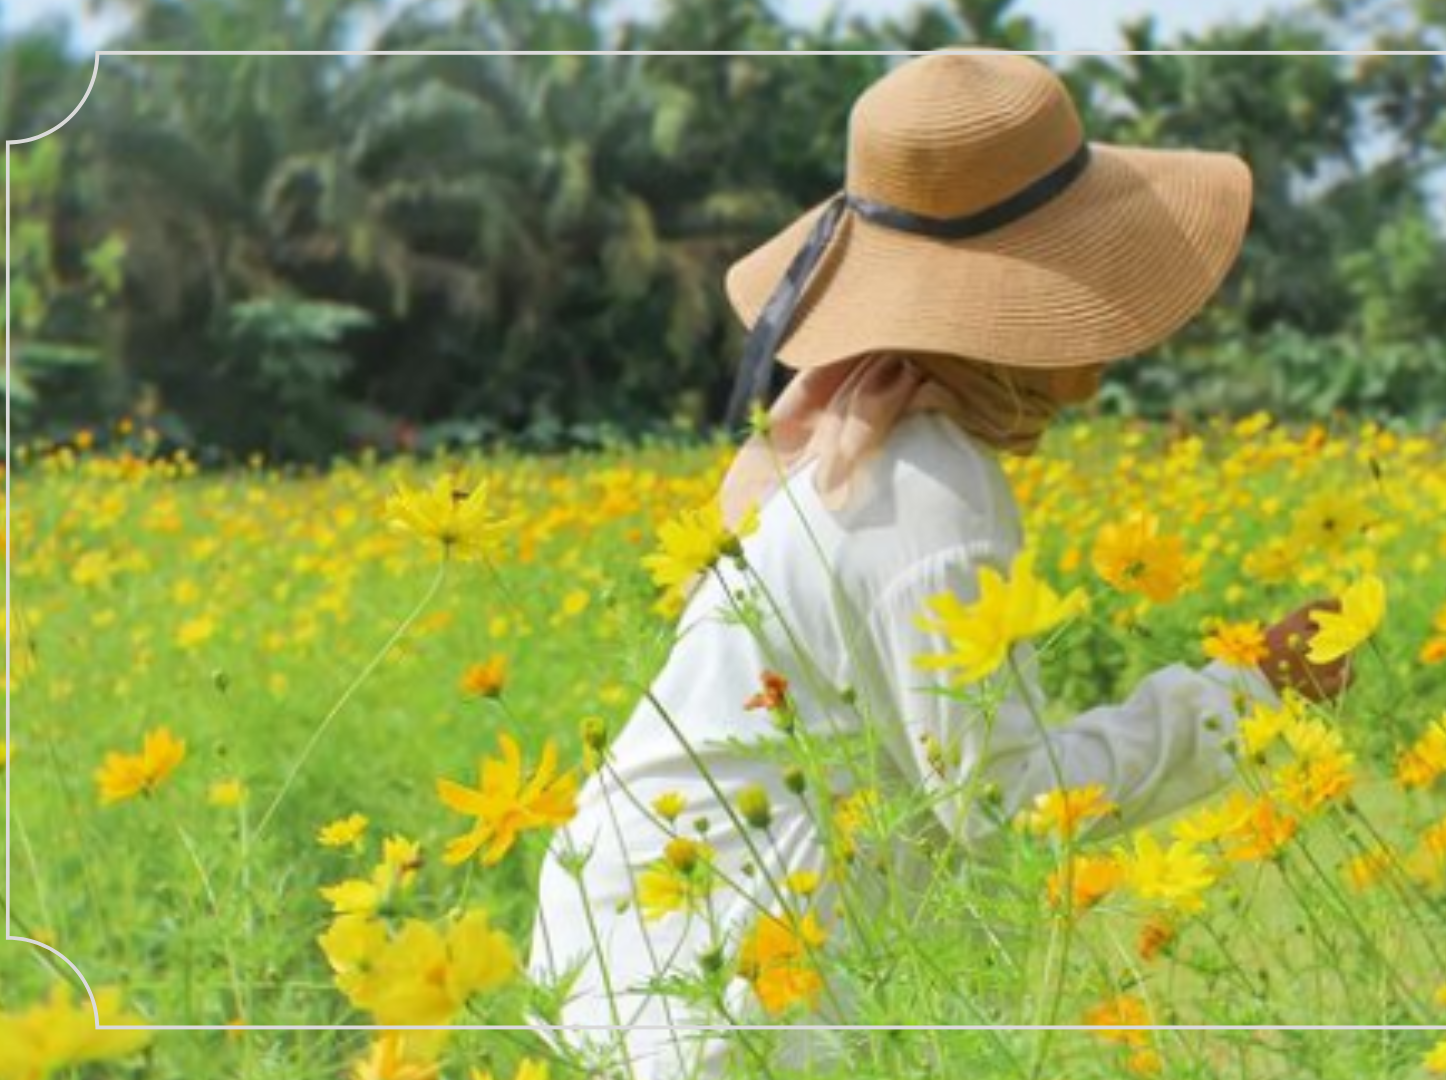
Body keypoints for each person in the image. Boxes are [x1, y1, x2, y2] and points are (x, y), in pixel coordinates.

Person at [526, 50, 1351, 1079]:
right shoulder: (929, 487)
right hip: (721, 975)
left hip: (651, 936)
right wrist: (1246, 695)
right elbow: (999, 803)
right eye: (1092, 277)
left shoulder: (852, 425)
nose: (1112, 333)